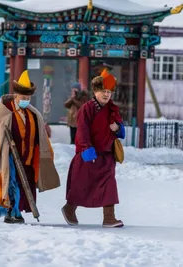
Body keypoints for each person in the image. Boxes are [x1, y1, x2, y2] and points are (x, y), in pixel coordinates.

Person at [0, 70, 60, 224]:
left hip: (28, 156)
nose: (26, 100)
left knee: (25, 186)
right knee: (12, 183)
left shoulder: (32, 114)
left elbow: (39, 135)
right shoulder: (5, 113)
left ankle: (18, 211)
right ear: (16, 96)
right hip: (10, 157)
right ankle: (11, 211)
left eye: (28, 98)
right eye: (23, 97)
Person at [61, 68, 125, 228]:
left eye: (109, 92)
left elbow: (121, 128)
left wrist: (117, 128)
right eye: (103, 91)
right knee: (81, 185)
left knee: (109, 185)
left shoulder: (112, 108)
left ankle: (109, 217)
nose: (106, 95)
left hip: (107, 155)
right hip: (88, 155)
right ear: (95, 91)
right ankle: (69, 209)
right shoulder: (87, 109)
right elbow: (81, 131)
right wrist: (86, 149)